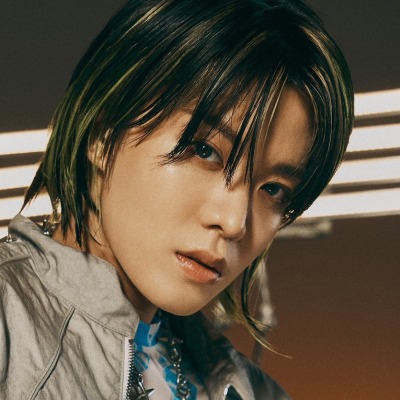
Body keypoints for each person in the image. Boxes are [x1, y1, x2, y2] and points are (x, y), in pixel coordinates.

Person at [0, 0, 353, 398]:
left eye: (273, 189)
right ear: (103, 133)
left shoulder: (252, 390)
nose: (234, 222)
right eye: (204, 150)